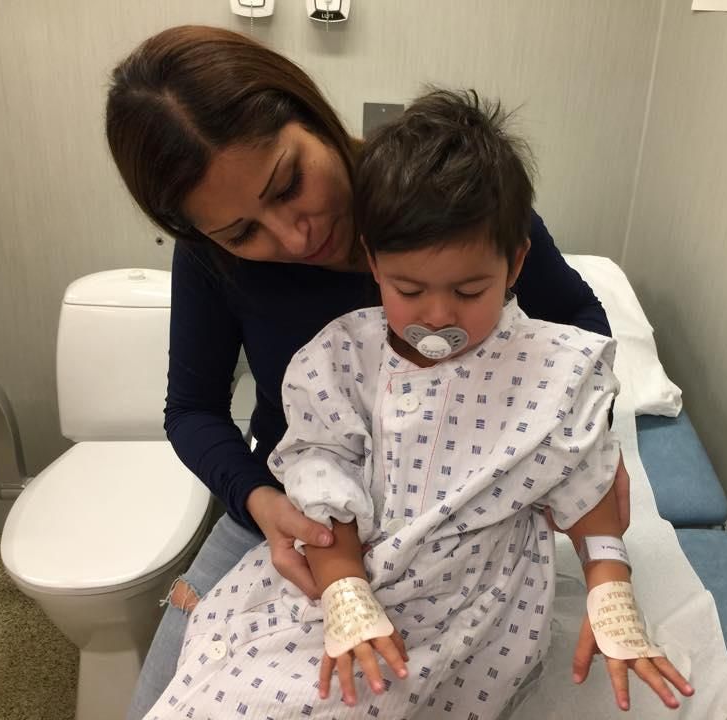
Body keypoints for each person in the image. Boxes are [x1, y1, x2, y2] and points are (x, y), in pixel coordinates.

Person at [105, 25, 631, 720]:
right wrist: (262, 504)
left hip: (456, 516)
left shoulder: (452, 201)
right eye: (242, 232)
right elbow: (191, 410)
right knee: (175, 694)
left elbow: (578, 333)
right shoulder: (222, 269)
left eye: (288, 185)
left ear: (310, 113)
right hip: (302, 502)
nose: (294, 236)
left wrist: (571, 446)